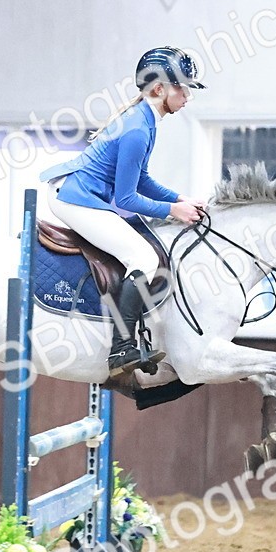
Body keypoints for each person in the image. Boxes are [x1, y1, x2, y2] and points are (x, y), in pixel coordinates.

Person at [40, 46, 207, 377]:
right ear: (159, 89)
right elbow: (127, 197)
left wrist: (180, 198)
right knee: (143, 259)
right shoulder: (137, 129)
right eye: (182, 87)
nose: (188, 96)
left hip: (81, 192)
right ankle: (121, 349)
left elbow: (141, 179)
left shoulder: (146, 120)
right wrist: (174, 210)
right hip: (74, 198)